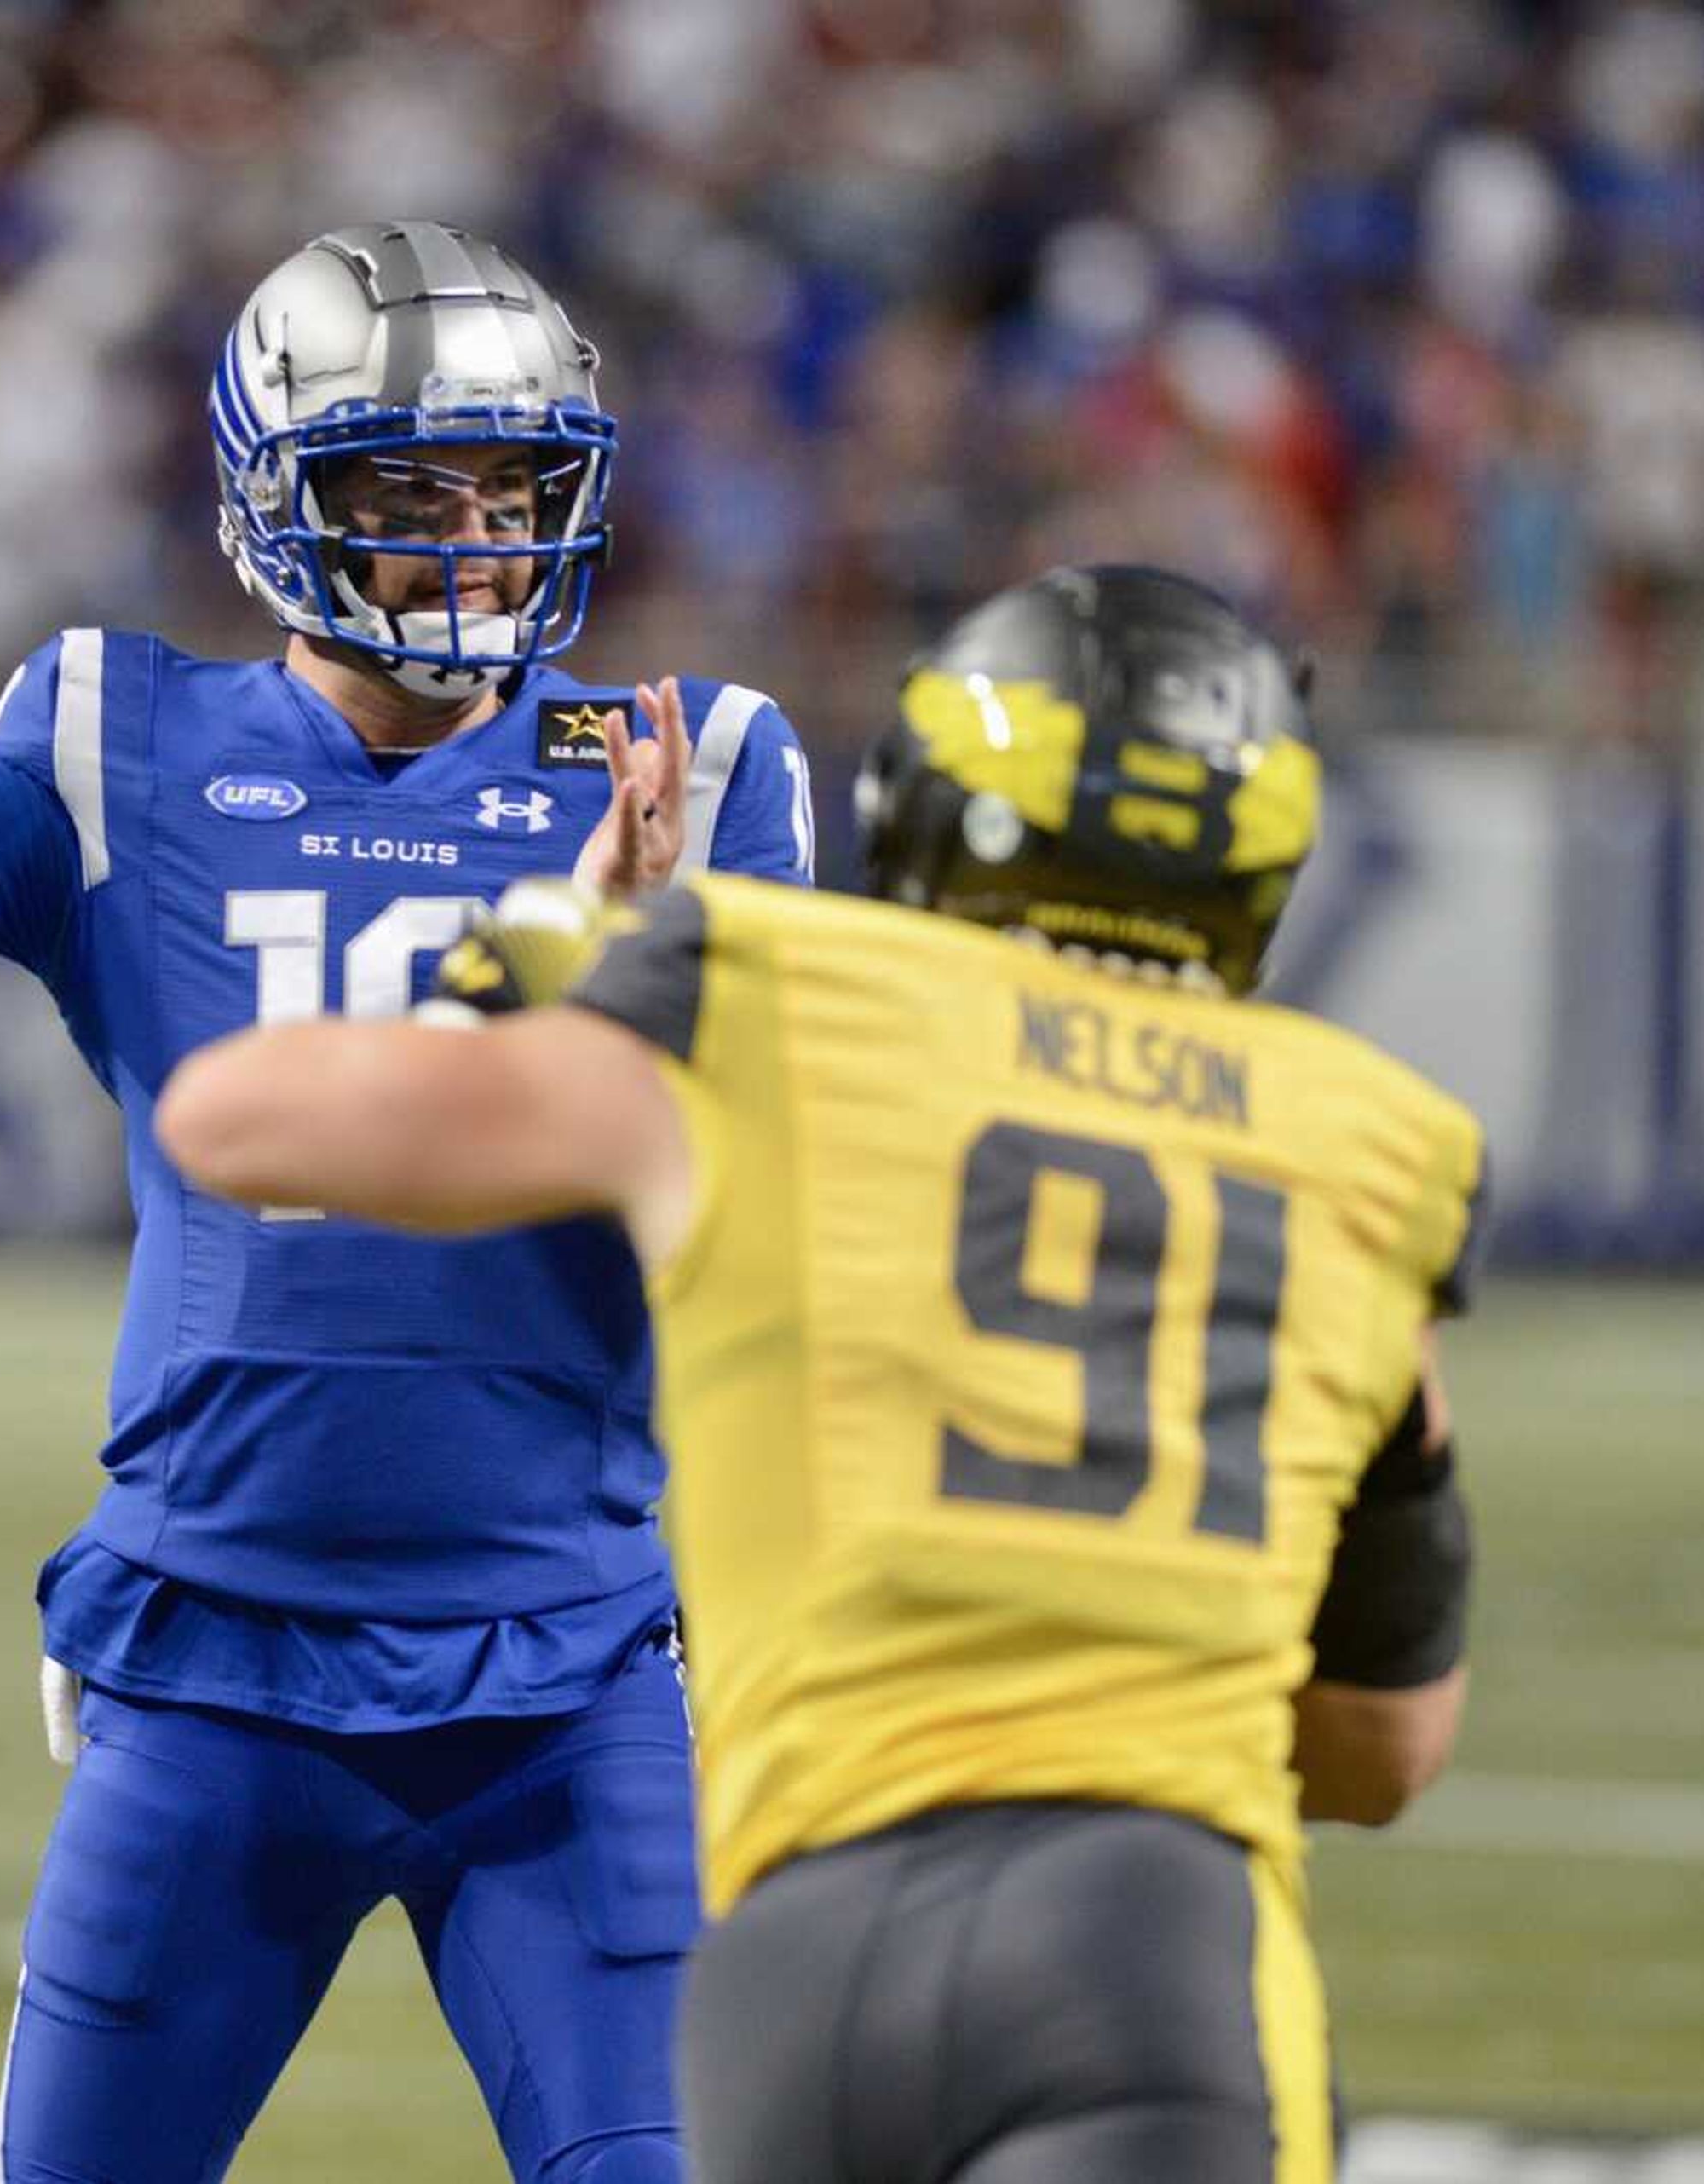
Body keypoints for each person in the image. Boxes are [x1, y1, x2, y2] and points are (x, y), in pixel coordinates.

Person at [0, 219, 813, 2184]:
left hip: (568, 1679)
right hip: (210, 1672)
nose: (479, 540)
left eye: (516, 489)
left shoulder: (692, 767)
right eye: (410, 491)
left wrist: (636, 969)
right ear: (278, 501)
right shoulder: (126, 742)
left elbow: (764, 1169)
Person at [158, 564, 1483, 2183]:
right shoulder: (1373, 1144)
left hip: (799, 1955)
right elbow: (1383, 1749)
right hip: (1152, 1933)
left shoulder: (779, 995)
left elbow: (234, 1117)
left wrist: (562, 936)